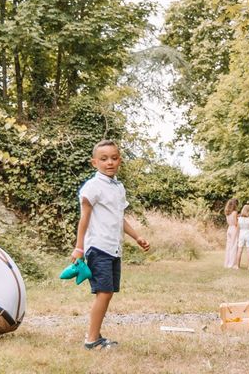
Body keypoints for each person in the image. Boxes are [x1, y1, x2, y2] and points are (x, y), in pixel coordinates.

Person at [71, 140, 150, 350]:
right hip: (98, 247)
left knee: (108, 292)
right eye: (104, 159)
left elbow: (119, 217)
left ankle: (95, 335)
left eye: (114, 158)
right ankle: (91, 339)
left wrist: (137, 237)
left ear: (120, 161)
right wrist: (79, 248)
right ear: (94, 162)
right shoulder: (93, 187)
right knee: (103, 292)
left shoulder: (118, 187)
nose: (109, 162)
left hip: (114, 247)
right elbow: (84, 219)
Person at [235, 204, 249, 269]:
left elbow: (238, 229)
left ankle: (237, 266)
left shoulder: (239, 218)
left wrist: (237, 237)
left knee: (239, 250)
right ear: (248, 211)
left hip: (241, 234)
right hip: (248, 234)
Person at [224, 198, 239, 268]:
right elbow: (236, 223)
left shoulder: (227, 212)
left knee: (229, 246)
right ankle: (232, 264)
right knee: (234, 246)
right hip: (234, 229)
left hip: (229, 228)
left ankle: (227, 263)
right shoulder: (235, 213)